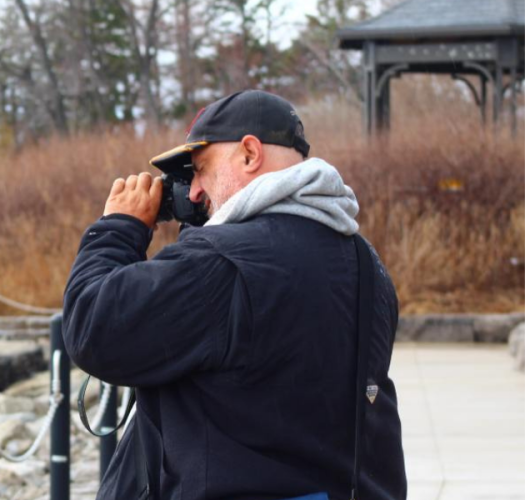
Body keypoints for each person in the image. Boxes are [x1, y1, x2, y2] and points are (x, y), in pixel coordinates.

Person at [62, 90, 406, 500]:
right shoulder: (365, 261)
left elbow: (93, 328)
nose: (193, 192)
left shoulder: (220, 264)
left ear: (249, 154)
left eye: (201, 169)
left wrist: (118, 228)